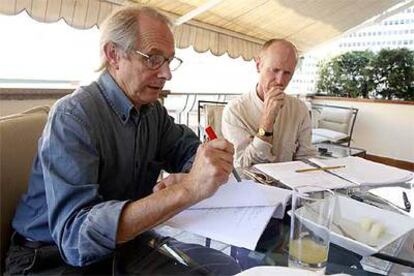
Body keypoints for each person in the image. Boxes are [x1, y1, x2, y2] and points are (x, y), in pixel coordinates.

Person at [6, 5, 235, 275]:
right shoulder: (73, 117)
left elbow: (190, 152)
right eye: (152, 58)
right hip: (48, 258)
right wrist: (185, 191)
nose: (166, 74)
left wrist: (202, 166)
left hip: (121, 245)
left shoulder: (153, 113)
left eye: (169, 60)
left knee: (222, 267)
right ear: (113, 55)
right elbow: (74, 239)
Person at [222, 39, 316, 168]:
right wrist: (267, 121)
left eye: (287, 73)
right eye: (275, 70)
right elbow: (242, 166)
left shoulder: (299, 108)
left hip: (290, 183)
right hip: (251, 186)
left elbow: (306, 157)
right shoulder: (235, 110)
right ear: (258, 65)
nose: (280, 80)